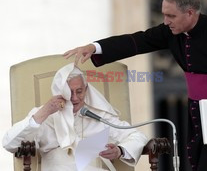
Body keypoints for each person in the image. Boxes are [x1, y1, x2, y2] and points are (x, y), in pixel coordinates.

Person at [63, 0, 207, 171]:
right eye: (164, 14)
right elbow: (138, 41)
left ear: (190, 13)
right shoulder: (171, 31)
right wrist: (94, 47)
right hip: (198, 116)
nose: (166, 21)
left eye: (171, 16)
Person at [2, 63, 148, 171]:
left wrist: (120, 150)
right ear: (59, 91)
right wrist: (44, 112)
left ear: (86, 90)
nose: (75, 98)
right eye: (69, 92)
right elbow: (9, 143)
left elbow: (137, 136)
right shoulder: (44, 115)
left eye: (79, 91)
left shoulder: (99, 115)